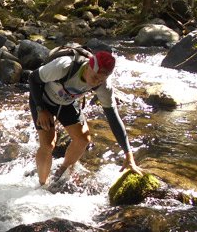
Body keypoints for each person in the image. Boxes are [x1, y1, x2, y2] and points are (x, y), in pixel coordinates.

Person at [28, 48, 141, 189]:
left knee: (83, 139)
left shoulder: (103, 86)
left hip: (67, 102)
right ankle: (42, 185)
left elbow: (113, 117)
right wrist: (40, 110)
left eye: (101, 80)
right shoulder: (64, 66)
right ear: (87, 66)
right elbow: (32, 78)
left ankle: (61, 172)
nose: (96, 83)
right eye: (94, 77)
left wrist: (128, 154)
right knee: (48, 144)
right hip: (42, 100)